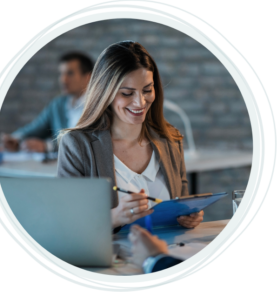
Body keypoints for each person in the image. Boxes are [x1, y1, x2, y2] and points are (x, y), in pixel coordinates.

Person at [57, 41, 204, 232]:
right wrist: (113, 217)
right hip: (112, 259)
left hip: (168, 256)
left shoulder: (170, 140)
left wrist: (188, 216)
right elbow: (64, 223)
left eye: (147, 90)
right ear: (105, 92)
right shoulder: (77, 145)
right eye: (127, 93)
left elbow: (181, 204)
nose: (140, 102)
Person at [0, 51, 94, 153]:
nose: (63, 79)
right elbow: (35, 128)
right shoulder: (58, 104)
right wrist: (15, 139)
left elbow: (87, 143)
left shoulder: (99, 106)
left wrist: (48, 146)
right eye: (61, 73)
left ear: (87, 77)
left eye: (70, 73)